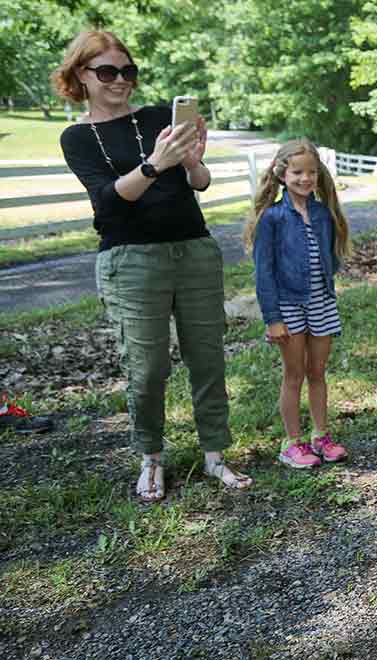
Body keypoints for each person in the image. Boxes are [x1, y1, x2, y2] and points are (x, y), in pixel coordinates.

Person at [53, 30, 251, 502]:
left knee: (208, 358)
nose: (119, 80)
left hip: (194, 250)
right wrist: (153, 164)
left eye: (127, 71)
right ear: (81, 75)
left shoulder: (161, 118)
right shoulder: (78, 137)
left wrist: (193, 162)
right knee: (147, 367)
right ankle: (151, 458)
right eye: (106, 72)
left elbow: (198, 183)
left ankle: (215, 456)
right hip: (130, 258)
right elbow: (107, 204)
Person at [243, 139, 351, 469]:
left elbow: (328, 257)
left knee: (317, 372)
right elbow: (264, 273)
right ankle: (293, 443)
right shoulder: (272, 218)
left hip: (320, 302)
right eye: (298, 172)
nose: (306, 178)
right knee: (294, 374)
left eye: (312, 172)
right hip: (288, 306)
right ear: (282, 174)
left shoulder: (322, 213)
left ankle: (321, 436)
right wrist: (273, 318)